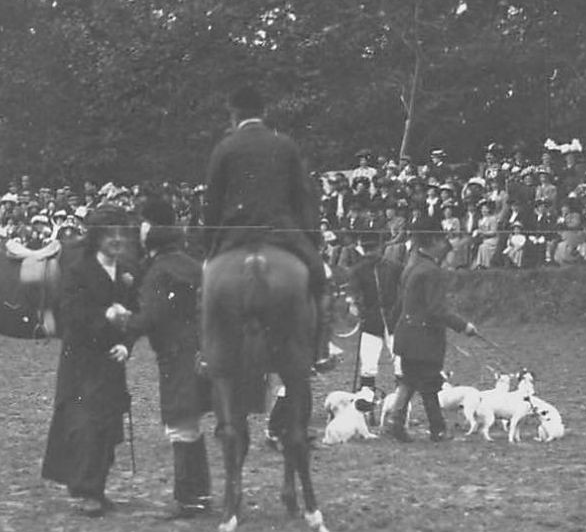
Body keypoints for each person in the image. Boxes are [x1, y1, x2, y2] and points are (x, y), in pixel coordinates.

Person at [203, 84, 332, 371]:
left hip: (236, 235)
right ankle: (319, 351)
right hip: (282, 233)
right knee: (320, 282)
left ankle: (206, 353)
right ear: (264, 113)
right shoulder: (285, 144)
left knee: (206, 287)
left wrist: (209, 244)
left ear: (233, 114)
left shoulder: (224, 147)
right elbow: (303, 196)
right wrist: (311, 239)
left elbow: (211, 203)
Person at [41, 208, 138, 517]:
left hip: (111, 360)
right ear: (97, 237)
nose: (117, 240)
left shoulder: (125, 270)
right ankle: (84, 490)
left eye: (122, 233)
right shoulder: (79, 270)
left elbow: (134, 314)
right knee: (85, 424)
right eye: (110, 234)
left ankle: (97, 487)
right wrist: (104, 316)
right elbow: (70, 314)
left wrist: (126, 344)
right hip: (82, 360)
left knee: (109, 424)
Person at [126, 198, 212, 518]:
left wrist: (122, 319)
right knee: (191, 424)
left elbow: (150, 318)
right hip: (200, 352)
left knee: (180, 425)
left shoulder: (158, 272)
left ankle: (189, 497)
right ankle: (199, 494)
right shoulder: (191, 265)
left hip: (176, 356)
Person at [381, 225, 479, 443]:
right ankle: (438, 429)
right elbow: (436, 308)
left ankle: (395, 421)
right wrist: (463, 326)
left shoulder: (413, 265)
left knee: (409, 380)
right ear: (433, 241)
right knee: (430, 384)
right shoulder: (431, 271)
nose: (446, 246)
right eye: (442, 241)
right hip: (424, 338)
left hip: (408, 334)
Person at [344, 226, 402, 423]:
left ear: (381, 247)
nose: (370, 253)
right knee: (368, 367)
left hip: (394, 322)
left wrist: (399, 310)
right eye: (367, 249)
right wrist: (356, 307)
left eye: (373, 248)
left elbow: (404, 290)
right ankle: (366, 412)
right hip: (370, 323)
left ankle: (399, 411)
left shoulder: (393, 267)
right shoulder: (357, 270)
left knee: (400, 364)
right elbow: (352, 295)